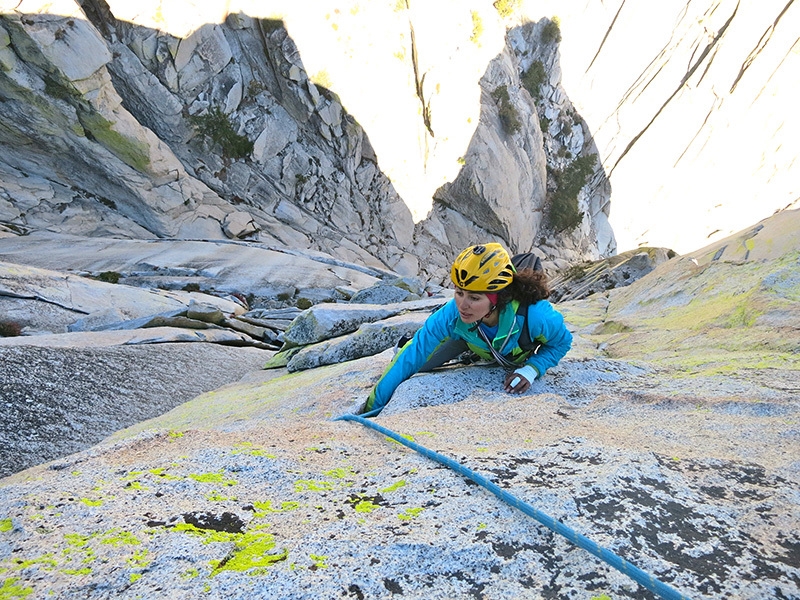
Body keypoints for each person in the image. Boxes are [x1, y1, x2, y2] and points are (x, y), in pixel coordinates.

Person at [361, 242, 572, 415]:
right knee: (415, 365)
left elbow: (562, 343)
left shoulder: (537, 316)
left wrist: (531, 369)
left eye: (474, 297)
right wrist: (371, 410)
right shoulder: (451, 313)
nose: (462, 305)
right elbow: (411, 356)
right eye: (459, 292)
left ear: (498, 298)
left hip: (495, 346)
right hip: (466, 339)